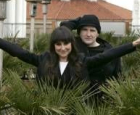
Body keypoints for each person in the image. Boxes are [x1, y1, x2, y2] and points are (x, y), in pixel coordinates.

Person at [0, 26, 139, 89]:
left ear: (71, 44)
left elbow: (108, 55)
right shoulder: (43, 59)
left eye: (66, 44)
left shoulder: (82, 61)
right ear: (53, 45)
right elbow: (19, 52)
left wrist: (133, 44)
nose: (62, 48)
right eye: (58, 44)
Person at [60, 15, 121, 91]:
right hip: (76, 97)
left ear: (97, 33)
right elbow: (63, 29)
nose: (88, 34)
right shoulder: (73, 47)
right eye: (84, 30)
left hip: (103, 98)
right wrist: (80, 20)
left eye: (92, 30)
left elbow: (118, 77)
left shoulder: (110, 51)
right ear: (79, 32)